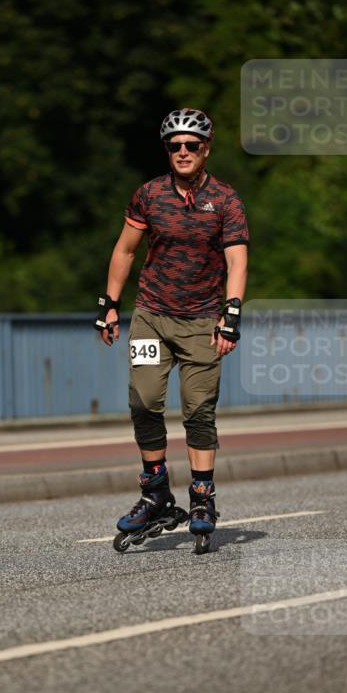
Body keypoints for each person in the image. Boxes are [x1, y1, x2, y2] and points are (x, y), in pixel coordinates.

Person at [95, 108, 248, 550]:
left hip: (202, 320)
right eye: (174, 146)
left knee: (199, 410)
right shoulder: (149, 194)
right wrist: (108, 306)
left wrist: (231, 315)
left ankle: (201, 497)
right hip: (151, 316)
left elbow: (236, 259)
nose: (182, 152)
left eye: (191, 145)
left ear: (206, 149)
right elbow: (125, 251)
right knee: (143, 401)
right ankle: (156, 493)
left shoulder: (225, 200)